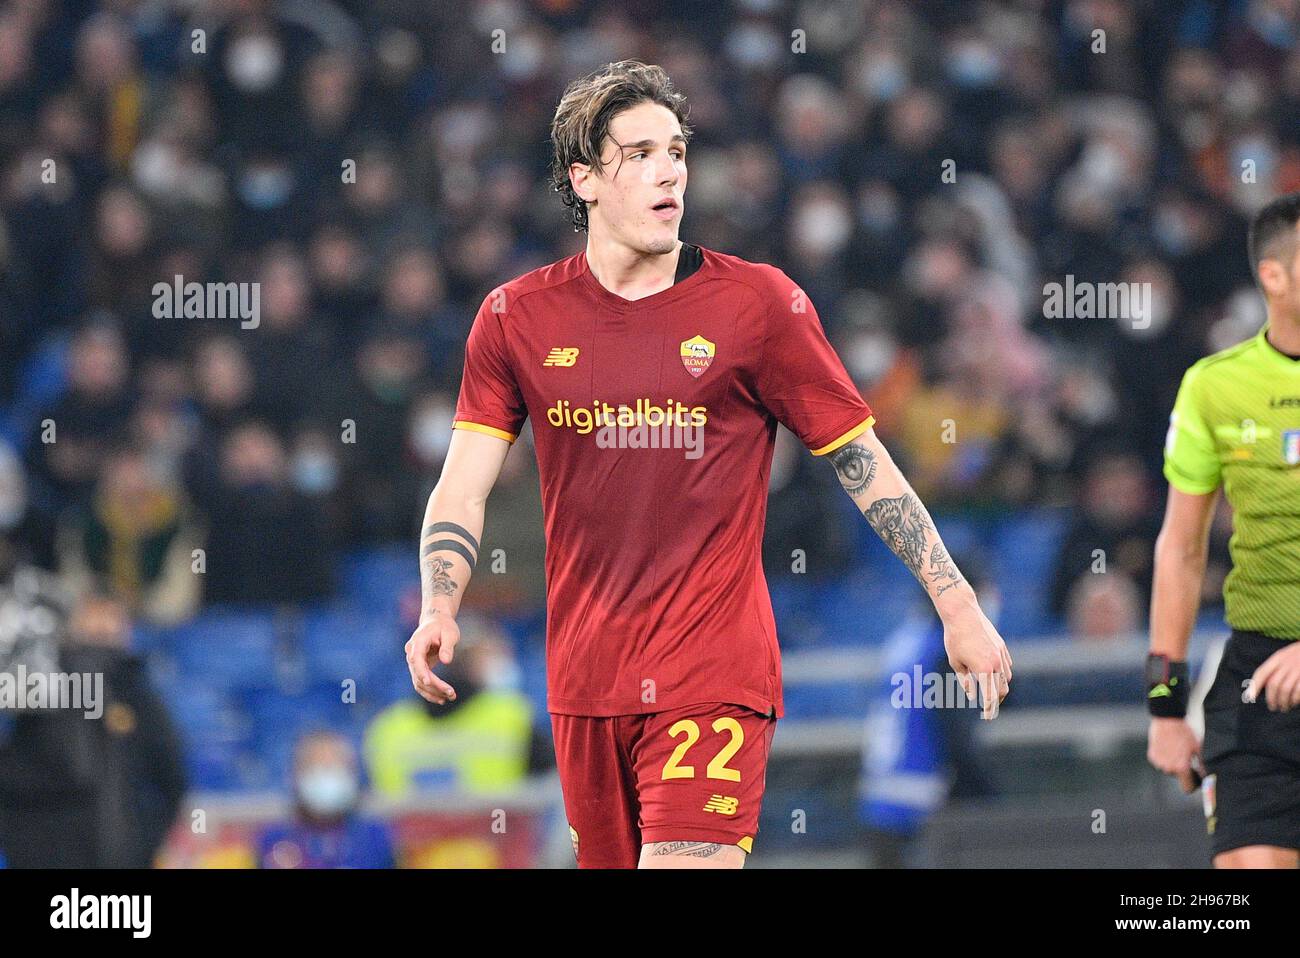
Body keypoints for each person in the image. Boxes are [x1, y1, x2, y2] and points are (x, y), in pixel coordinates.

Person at [404, 60, 1012, 870]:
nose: (670, 173)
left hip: (711, 668)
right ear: (583, 178)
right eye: (641, 154)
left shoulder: (758, 306)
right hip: (585, 680)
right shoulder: (515, 318)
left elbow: (866, 466)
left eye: (678, 152)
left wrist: (956, 602)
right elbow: (463, 484)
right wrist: (442, 605)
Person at [1147, 191, 1300, 869]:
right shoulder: (1214, 388)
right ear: (1274, 276)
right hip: (1258, 676)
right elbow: (1179, 552)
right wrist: (1165, 709)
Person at [365, 615, 536, 796]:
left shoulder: (389, 725)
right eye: (486, 655)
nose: (500, 663)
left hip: (425, 823)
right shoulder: (511, 714)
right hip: (493, 822)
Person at [258, 730, 395, 869]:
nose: (328, 775)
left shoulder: (375, 837)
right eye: (318, 766)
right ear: (295, 774)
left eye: (336, 766)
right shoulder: (275, 840)